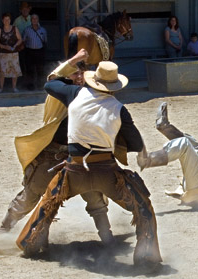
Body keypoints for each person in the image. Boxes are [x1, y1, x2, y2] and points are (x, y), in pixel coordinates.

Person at [17, 51, 162, 266]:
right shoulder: (120, 110)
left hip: (73, 172)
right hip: (107, 173)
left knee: (48, 202)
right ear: (114, 86)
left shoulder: (75, 93)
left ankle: (30, 244)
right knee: (144, 208)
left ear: (93, 79)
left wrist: (71, 62)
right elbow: (135, 144)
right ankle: (146, 258)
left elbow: (50, 84)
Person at [0, 50, 115, 248]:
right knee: (31, 194)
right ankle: (3, 232)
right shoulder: (58, 92)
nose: (79, 77)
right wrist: (74, 59)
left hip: (79, 157)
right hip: (52, 156)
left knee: (95, 196)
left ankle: (108, 238)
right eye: (74, 73)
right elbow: (53, 78)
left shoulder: (89, 93)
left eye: (82, 72)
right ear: (67, 75)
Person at [0, 13, 22, 93]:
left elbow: (20, 39)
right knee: (2, 71)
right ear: (2, 21)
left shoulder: (14, 28)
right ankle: (1, 88)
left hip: (13, 53)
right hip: (3, 53)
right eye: (5, 19)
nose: (7, 21)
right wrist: (4, 46)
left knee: (14, 71)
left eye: (8, 19)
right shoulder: (0, 30)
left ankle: (14, 87)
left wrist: (16, 45)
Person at [23, 14, 47, 90]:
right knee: (30, 69)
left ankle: (40, 84)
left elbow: (45, 41)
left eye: (36, 18)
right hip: (29, 51)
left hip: (40, 51)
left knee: (40, 69)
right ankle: (30, 85)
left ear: (38, 20)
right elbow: (23, 40)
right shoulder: (27, 30)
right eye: (33, 19)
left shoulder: (43, 30)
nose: (34, 20)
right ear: (31, 20)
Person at [13, 1, 32, 77]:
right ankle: (23, 81)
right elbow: (13, 32)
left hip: (31, 46)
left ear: (29, 9)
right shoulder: (17, 20)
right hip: (20, 46)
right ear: (21, 10)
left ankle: (31, 82)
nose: (25, 11)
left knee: (30, 64)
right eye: (23, 9)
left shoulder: (32, 18)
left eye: (26, 9)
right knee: (21, 64)